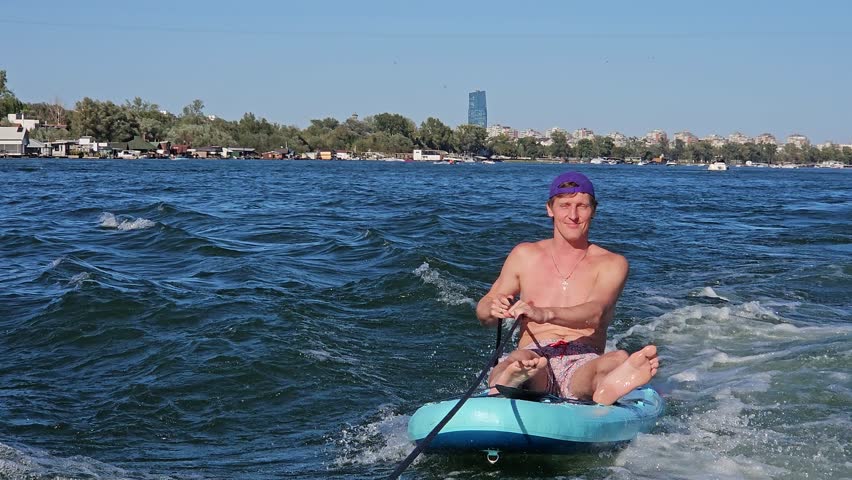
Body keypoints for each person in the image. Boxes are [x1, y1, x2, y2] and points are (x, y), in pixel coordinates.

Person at [475, 171, 659, 406]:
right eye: (565, 206)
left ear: (593, 210)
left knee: (614, 359)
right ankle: (510, 381)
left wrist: (545, 313)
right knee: (520, 360)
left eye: (582, 206)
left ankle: (610, 383)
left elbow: (596, 312)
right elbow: (485, 310)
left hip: (583, 357)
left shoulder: (612, 263)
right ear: (550, 209)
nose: (573, 215)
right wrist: (492, 308)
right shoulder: (525, 254)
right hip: (535, 354)